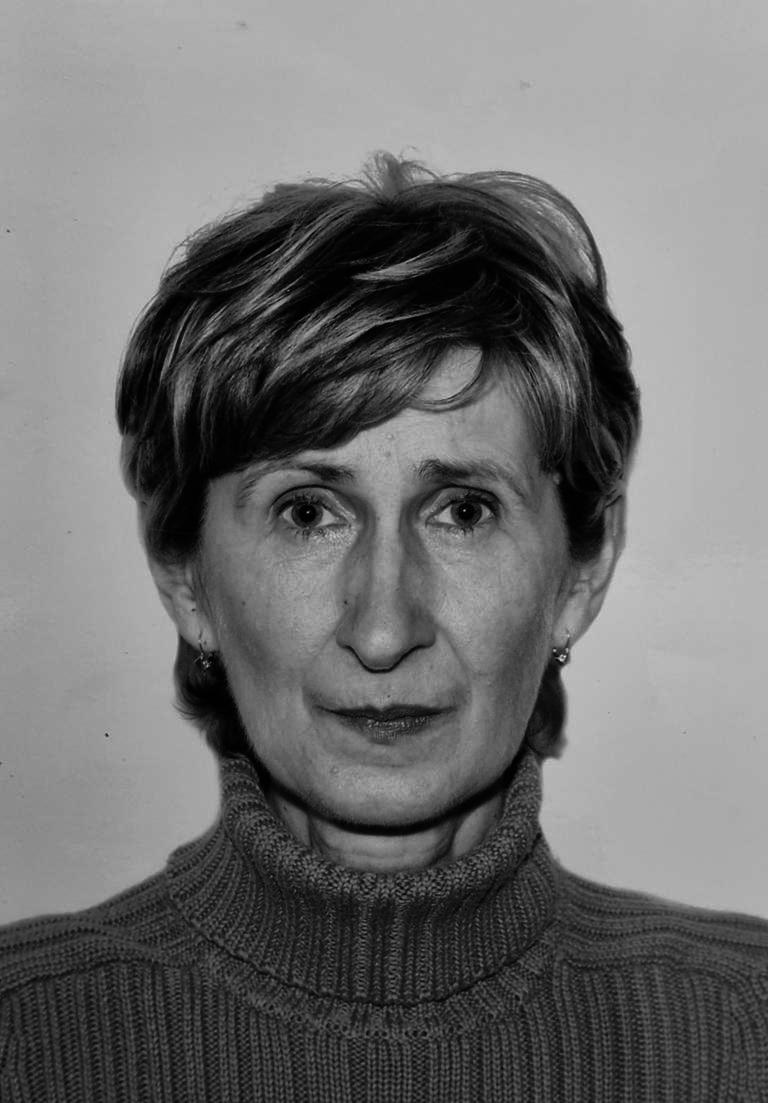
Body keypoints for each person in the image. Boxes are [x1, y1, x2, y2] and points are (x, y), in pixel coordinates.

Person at [1, 153, 766, 1102]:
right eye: (308, 511)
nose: (382, 629)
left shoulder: (744, 1037)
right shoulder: (25, 1043)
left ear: (580, 571)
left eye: (464, 511)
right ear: (186, 575)